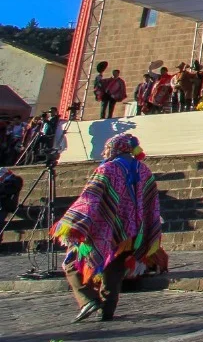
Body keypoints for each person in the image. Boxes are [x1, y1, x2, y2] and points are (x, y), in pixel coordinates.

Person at [51, 133, 165, 322]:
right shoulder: (145, 171)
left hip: (104, 228)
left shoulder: (107, 169)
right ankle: (107, 311)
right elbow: (151, 204)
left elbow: (90, 197)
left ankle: (88, 299)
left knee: (72, 263)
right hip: (132, 232)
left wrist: (73, 221)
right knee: (115, 269)